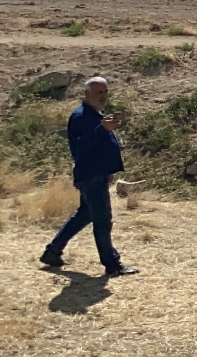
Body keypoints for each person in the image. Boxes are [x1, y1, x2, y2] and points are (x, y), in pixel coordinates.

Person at [40, 77, 138, 276]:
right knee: (103, 220)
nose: (103, 96)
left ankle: (52, 252)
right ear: (87, 94)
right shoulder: (81, 116)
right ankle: (112, 264)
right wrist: (102, 129)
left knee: (85, 215)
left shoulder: (95, 115)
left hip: (97, 175)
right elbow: (80, 147)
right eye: (98, 93)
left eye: (105, 92)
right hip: (90, 176)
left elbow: (99, 148)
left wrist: (108, 170)